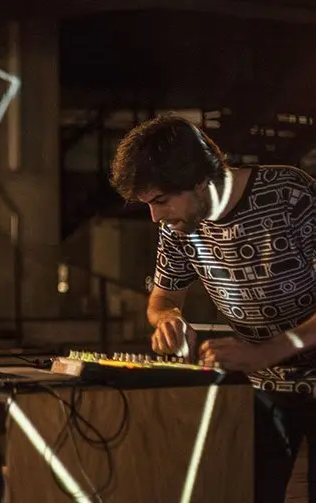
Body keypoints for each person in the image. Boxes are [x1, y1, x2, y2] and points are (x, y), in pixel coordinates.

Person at [110, 114, 315, 503]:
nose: (156, 217)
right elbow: (163, 297)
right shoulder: (179, 227)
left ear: (200, 179)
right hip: (262, 387)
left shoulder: (290, 193)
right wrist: (168, 318)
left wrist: (266, 351)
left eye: (160, 201)